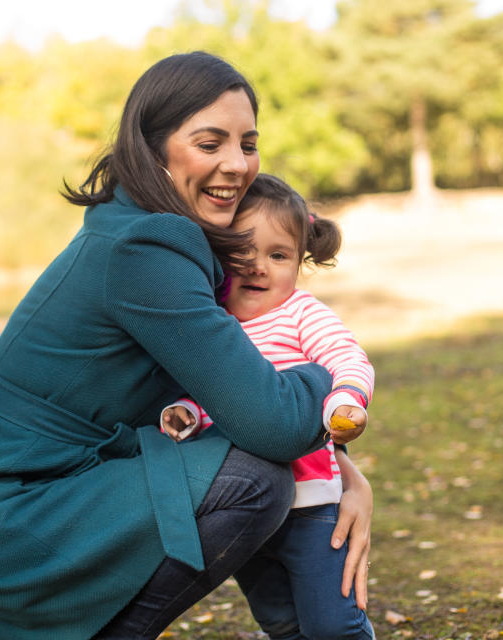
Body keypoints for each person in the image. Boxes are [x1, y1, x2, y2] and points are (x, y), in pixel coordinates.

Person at [0, 51, 372, 640]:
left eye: (248, 143)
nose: (237, 164)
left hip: (17, 506)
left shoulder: (139, 225)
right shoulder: (148, 247)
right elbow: (274, 425)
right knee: (255, 479)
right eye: (210, 143)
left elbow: (230, 390)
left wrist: (346, 473)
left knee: (238, 467)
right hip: (6, 522)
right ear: (153, 148)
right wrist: (320, 376)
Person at [161, 173, 375, 639]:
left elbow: (346, 357)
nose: (259, 266)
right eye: (242, 252)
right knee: (279, 619)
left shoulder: (300, 313)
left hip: (313, 503)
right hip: (245, 513)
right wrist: (188, 413)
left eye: (278, 256)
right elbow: (208, 390)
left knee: (332, 623)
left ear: (299, 263)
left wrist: (347, 401)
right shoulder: (213, 323)